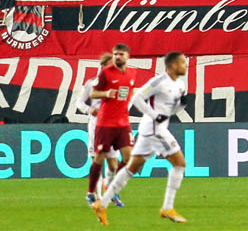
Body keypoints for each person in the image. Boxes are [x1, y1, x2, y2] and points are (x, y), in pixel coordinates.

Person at [91, 50, 191, 225]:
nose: (186, 65)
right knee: (180, 164)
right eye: (183, 63)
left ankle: (102, 203)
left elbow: (169, 112)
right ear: (173, 65)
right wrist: (154, 115)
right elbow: (137, 98)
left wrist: (180, 106)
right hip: (155, 130)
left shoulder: (180, 84)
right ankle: (167, 207)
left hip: (154, 129)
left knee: (131, 168)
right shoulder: (158, 82)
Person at [88, 44, 135, 208]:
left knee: (129, 160)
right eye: (115, 54)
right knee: (99, 158)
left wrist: (128, 103)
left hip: (123, 123)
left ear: (128, 56)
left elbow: (130, 91)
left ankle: (111, 186)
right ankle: (91, 193)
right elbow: (92, 93)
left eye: (120, 54)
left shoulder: (131, 73)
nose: (117, 57)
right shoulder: (105, 74)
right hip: (105, 123)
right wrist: (106, 94)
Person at [75, 53, 125, 207]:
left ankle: (111, 190)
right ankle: (96, 196)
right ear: (103, 67)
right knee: (97, 160)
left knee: (113, 164)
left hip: (114, 124)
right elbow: (79, 102)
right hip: (97, 125)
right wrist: (90, 110)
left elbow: (125, 101)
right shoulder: (92, 83)